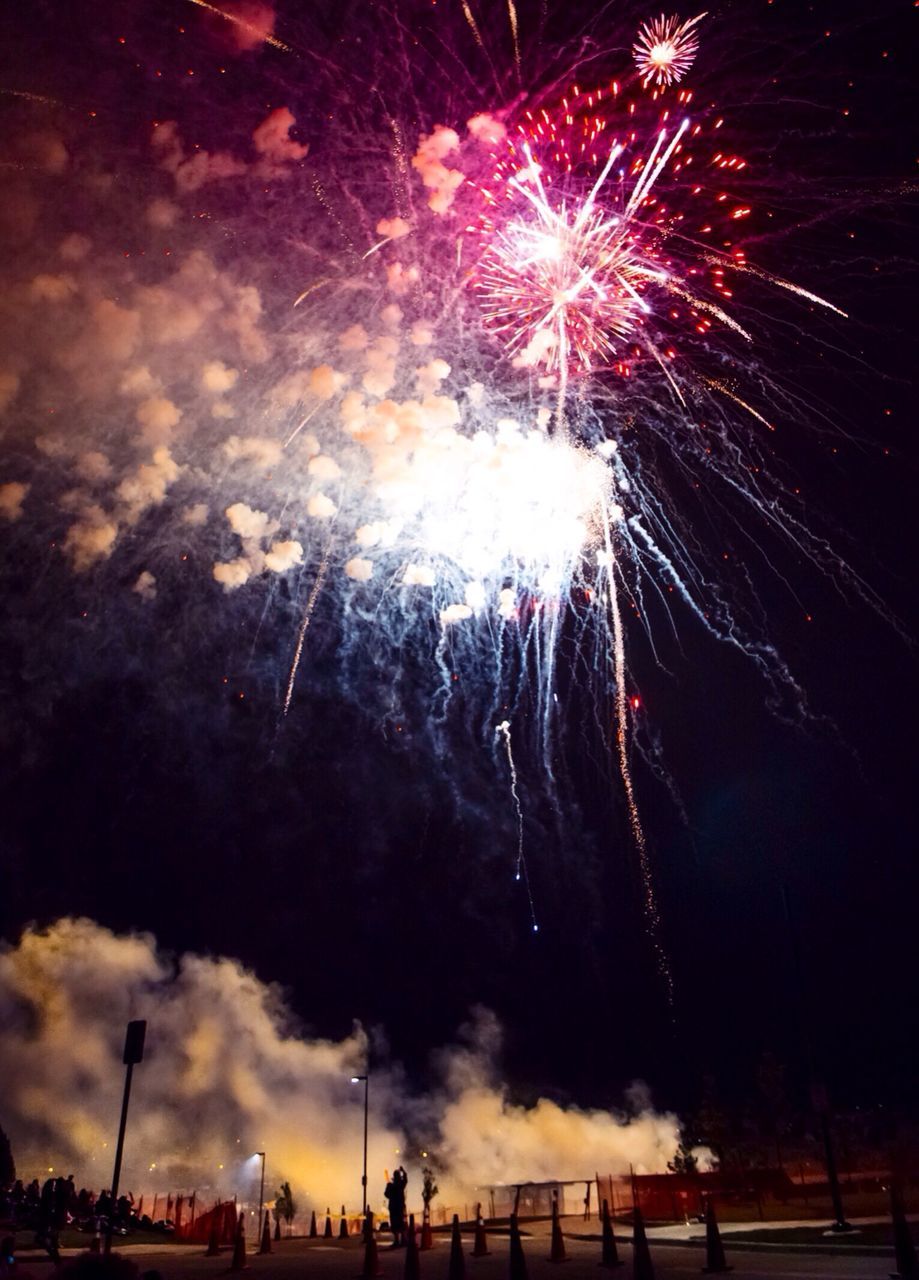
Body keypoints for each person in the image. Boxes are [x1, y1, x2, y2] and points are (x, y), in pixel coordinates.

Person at [383, 1168, 407, 1248]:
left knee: (395, 1224)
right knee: (401, 1223)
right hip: (400, 1207)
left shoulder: (390, 1185)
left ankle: (396, 1241)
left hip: (393, 1207)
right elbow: (405, 1179)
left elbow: (386, 1194)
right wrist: (403, 1171)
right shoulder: (401, 1185)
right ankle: (403, 1240)